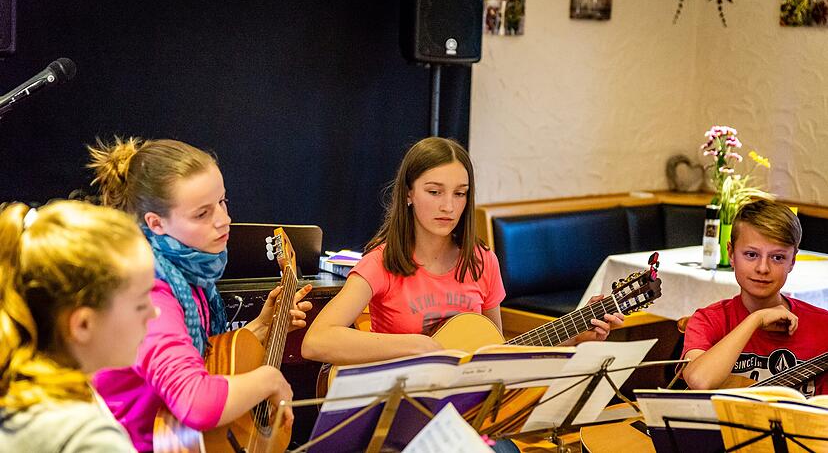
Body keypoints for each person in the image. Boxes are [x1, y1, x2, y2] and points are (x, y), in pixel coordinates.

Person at [301, 137, 623, 366]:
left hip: (467, 413)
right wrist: (415, 347)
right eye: (434, 191)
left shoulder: (482, 262)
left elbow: (498, 354)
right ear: (409, 194)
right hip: (402, 411)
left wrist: (574, 338)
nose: (448, 206)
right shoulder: (381, 263)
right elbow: (316, 342)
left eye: (460, 194)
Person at [87, 137, 313, 451]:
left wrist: (263, 327)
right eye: (202, 214)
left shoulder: (188, 273)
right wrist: (270, 380)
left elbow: (197, 355)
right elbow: (194, 401)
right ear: (157, 223)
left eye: (222, 202)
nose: (223, 220)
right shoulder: (150, 294)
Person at [0, 200, 157, 452]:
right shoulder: (87, 440)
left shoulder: (16, 392)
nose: (154, 312)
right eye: (140, 304)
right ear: (83, 324)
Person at [682, 199, 828, 395]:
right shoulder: (708, 320)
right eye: (751, 254)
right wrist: (755, 320)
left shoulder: (822, 325)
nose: (762, 268)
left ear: (792, 261)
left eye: (777, 257)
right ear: (731, 254)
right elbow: (700, 380)